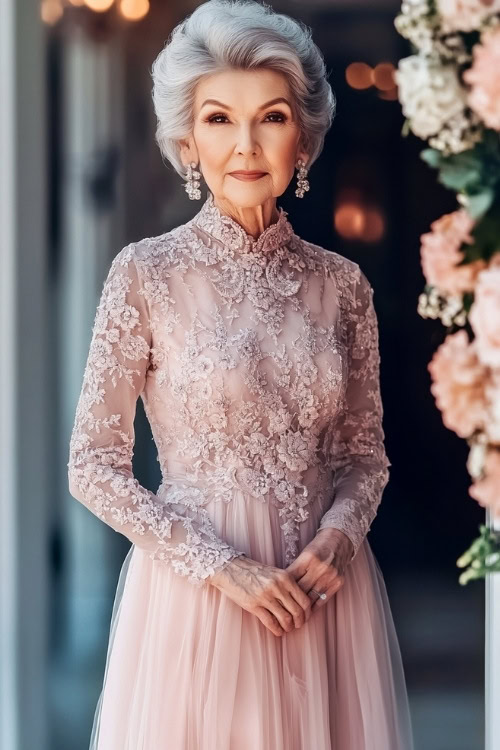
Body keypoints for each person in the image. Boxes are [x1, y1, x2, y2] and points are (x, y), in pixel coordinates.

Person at [67, 1, 415, 748]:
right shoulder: (146, 275)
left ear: (304, 139)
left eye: (273, 117)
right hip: (200, 602)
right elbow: (92, 466)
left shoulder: (343, 286)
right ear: (188, 140)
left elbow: (364, 456)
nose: (247, 145)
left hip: (324, 599)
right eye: (221, 118)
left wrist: (342, 535)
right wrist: (222, 569)